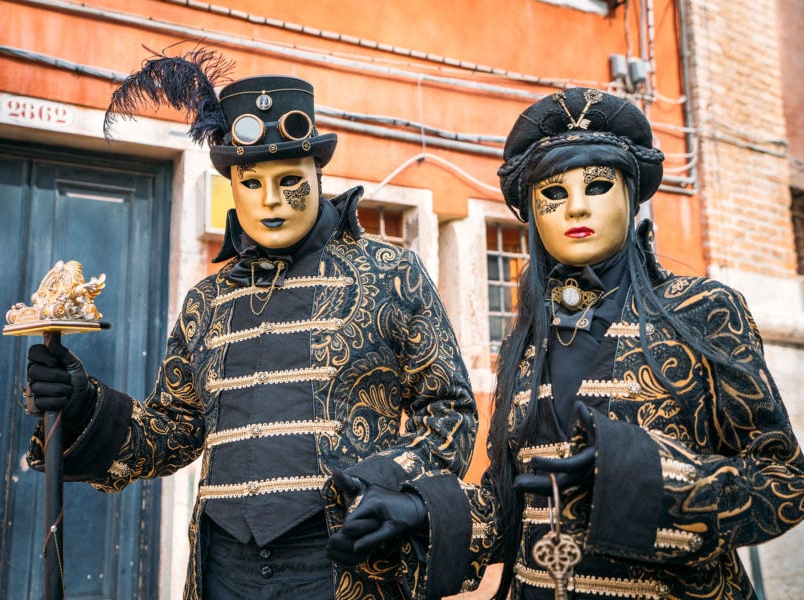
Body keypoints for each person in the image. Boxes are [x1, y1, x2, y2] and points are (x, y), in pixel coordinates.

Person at [24, 48, 477, 599]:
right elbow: (172, 432)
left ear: (317, 174)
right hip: (223, 570)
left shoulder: (391, 273)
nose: (271, 201)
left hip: (343, 563)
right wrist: (83, 405)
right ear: (233, 186)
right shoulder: (206, 301)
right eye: (253, 183)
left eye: (289, 180)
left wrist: (386, 485)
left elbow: (449, 413)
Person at [328, 88, 804, 599]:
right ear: (533, 211)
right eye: (554, 193)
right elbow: (515, 502)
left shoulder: (702, 309)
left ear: (631, 196)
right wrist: (423, 510)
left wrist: (644, 480)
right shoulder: (528, 339)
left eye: (597, 186)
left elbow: (783, 482)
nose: (576, 207)